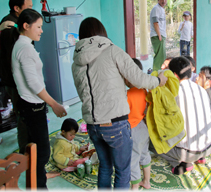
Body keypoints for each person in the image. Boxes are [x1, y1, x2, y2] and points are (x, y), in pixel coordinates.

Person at [71, 17, 167, 189]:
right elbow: (138, 78)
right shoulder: (112, 50)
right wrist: (158, 81)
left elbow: (83, 93)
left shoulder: (75, 63)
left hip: (93, 125)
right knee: (123, 171)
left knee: (105, 167)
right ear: (102, 33)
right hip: (115, 123)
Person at [11, 8, 67, 188]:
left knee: (34, 147)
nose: (41, 30)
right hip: (31, 106)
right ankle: (38, 186)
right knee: (41, 152)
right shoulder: (25, 49)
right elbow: (34, 85)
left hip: (28, 104)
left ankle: (37, 177)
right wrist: (54, 104)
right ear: (26, 26)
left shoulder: (23, 45)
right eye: (39, 27)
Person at [156, 56, 211, 175]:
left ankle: (180, 163)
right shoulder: (202, 90)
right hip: (209, 146)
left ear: (174, 75)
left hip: (187, 151)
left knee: (152, 142)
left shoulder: (173, 93)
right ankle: (200, 158)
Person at [0, 0, 33, 155]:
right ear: (17, 8)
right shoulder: (10, 25)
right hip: (16, 80)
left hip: (19, 78)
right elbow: (17, 55)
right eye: (29, 7)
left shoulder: (18, 22)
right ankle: (25, 153)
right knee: (23, 116)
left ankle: (30, 146)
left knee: (26, 114)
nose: (32, 10)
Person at [126, 58, 151, 190]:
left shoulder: (127, 95)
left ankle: (134, 187)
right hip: (143, 127)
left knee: (133, 160)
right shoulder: (143, 90)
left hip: (132, 130)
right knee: (144, 154)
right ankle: (146, 181)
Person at [150, 0, 168, 71]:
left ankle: (158, 75)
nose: (163, 1)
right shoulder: (156, 9)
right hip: (157, 35)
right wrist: (159, 35)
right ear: (158, 0)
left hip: (160, 35)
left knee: (161, 56)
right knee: (159, 57)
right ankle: (156, 75)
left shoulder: (161, 9)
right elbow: (155, 23)